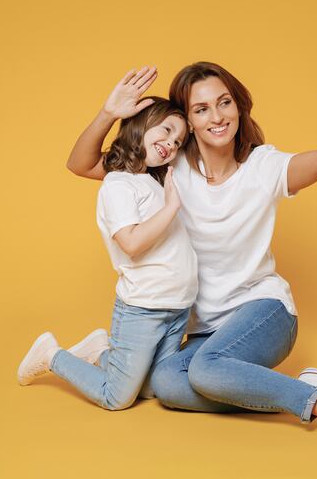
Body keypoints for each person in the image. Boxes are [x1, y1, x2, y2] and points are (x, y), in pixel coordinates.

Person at [65, 63, 317, 451]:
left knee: (207, 371)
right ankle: (305, 386)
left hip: (265, 312)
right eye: (201, 109)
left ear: (238, 107)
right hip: (205, 330)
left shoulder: (264, 166)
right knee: (166, 385)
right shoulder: (168, 165)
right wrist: (109, 113)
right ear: (188, 121)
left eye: (224, 102)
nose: (217, 116)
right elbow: (82, 164)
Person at [17, 87, 198, 411]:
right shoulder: (118, 183)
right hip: (144, 307)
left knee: (151, 390)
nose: (171, 144)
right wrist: (171, 207)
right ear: (140, 123)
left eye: (178, 141)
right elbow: (130, 243)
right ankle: (52, 355)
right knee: (117, 397)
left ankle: (101, 351)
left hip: (176, 306)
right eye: (167, 130)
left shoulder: (152, 180)